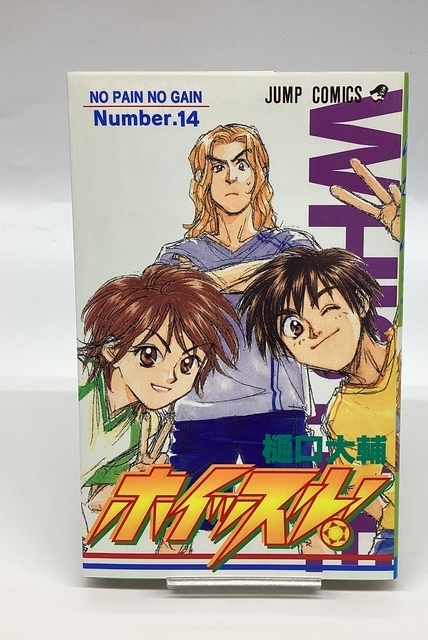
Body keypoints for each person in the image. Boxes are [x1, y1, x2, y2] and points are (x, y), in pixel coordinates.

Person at [240, 161, 403, 555]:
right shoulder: (345, 416)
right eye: (293, 326)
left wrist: (405, 236)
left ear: (358, 302)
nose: (313, 330)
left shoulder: (405, 340)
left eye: (324, 306)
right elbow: (362, 491)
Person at [155, 123, 320, 486]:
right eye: (218, 167)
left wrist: (202, 284)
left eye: (241, 165)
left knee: (294, 513)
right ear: (203, 180)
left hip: (277, 411)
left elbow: (305, 276)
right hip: (198, 414)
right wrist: (267, 273)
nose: (231, 177)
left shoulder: (290, 243)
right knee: (188, 517)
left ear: (257, 176)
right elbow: (165, 301)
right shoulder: (177, 254)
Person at [77, 264, 239, 514]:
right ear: (112, 349)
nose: (170, 377)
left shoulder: (147, 426)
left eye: (187, 364)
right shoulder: (82, 381)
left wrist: (133, 483)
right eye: (149, 355)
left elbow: (95, 501)